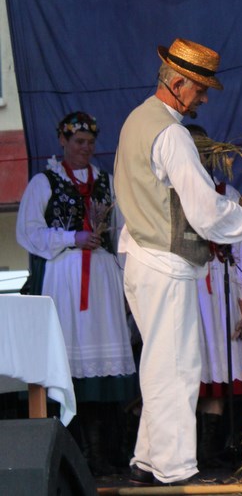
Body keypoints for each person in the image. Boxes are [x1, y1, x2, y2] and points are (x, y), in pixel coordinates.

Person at [113, 38, 242, 486]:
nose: (203, 98)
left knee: (160, 362)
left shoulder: (135, 120)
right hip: (165, 263)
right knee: (177, 367)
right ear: (179, 82)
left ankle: (148, 460)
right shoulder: (172, 134)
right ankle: (174, 468)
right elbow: (205, 212)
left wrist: (240, 206)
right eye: (200, 89)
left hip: (142, 258)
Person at [16, 111, 137, 476]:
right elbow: (28, 232)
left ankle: (106, 452)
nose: (85, 148)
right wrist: (73, 237)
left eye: (90, 142)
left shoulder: (106, 181)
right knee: (73, 365)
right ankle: (80, 454)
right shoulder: (44, 181)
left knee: (104, 366)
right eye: (79, 141)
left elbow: (122, 233)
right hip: (65, 279)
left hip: (101, 281)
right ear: (63, 141)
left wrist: (127, 281)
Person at [184, 125, 242, 466]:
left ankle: (212, 448)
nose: (200, 159)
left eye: (205, 153)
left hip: (221, 287)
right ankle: (190, 449)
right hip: (188, 287)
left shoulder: (226, 193)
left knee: (221, 364)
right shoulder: (174, 194)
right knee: (194, 364)